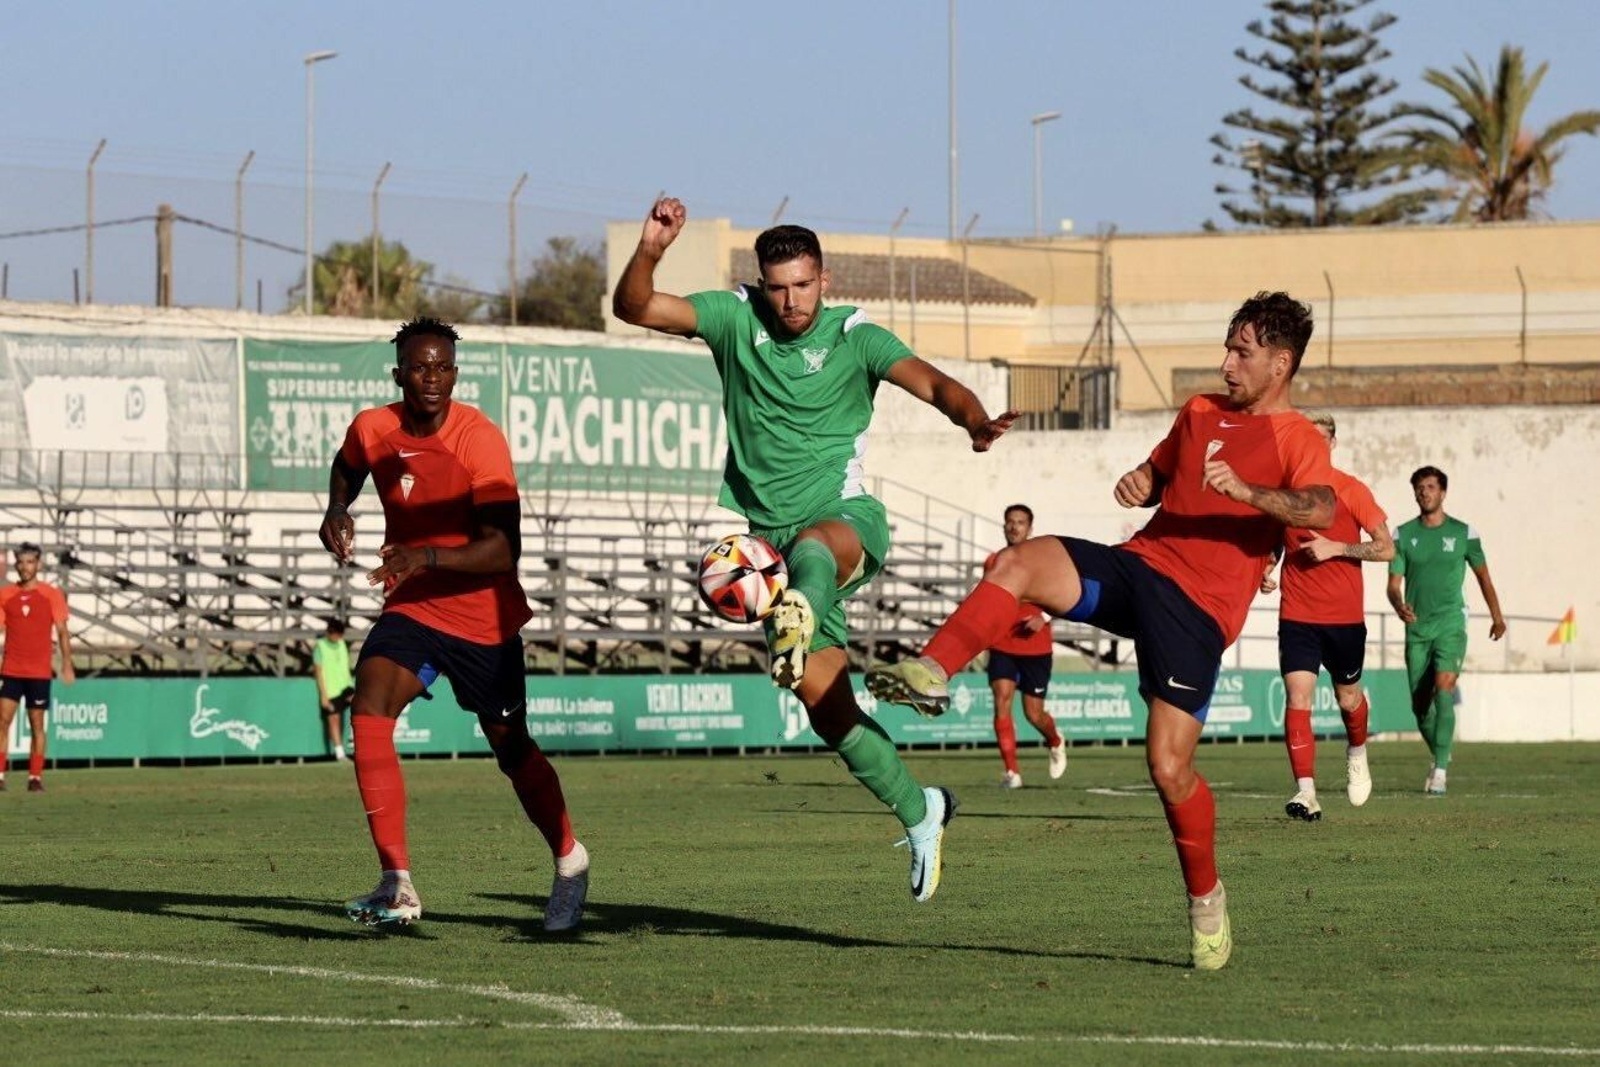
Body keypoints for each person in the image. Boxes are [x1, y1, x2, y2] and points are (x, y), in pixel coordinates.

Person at [868, 291, 1337, 970]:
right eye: (1228, 345)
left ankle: (1206, 898)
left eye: (1243, 350)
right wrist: (1141, 481)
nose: (1227, 361)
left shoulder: (1296, 438)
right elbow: (1162, 473)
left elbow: (1319, 506)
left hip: (1198, 611)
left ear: (1280, 363)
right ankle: (932, 668)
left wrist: (1252, 494)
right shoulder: (1201, 410)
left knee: (1168, 768)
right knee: (1021, 561)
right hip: (1140, 567)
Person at [613, 197, 1016, 903]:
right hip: (769, 549)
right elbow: (638, 308)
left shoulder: (856, 335)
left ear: (824, 279)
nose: (791, 300)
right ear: (761, 283)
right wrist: (650, 249)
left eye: (803, 285)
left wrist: (974, 419)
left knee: (812, 546)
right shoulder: (734, 317)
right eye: (779, 287)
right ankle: (921, 811)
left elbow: (934, 382)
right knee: (827, 708)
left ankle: (800, 603)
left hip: (843, 519)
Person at [319, 316, 588, 931]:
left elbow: (503, 550)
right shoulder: (373, 427)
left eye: (442, 367)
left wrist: (427, 556)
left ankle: (570, 859)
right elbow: (347, 464)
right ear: (399, 374)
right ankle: (397, 881)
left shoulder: (479, 440)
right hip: (413, 606)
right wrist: (337, 507)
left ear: (455, 374)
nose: (432, 377)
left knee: (511, 748)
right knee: (370, 704)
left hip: (483, 617)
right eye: (419, 367)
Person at [1259, 414, 1393, 821]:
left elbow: (1386, 548)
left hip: (1344, 617)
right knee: (1297, 696)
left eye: (1319, 440)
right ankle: (1306, 792)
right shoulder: (1285, 495)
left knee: (1347, 697)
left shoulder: (1351, 490)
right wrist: (1265, 569)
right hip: (1298, 614)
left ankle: (1357, 752)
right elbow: (1273, 544)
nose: (1312, 447)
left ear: (1332, 444)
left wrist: (1338, 549)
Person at [1386, 465, 1506, 796]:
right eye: (1419, 488)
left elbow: (1484, 577)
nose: (1425, 492)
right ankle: (1441, 751)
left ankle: (1440, 771)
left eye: (1430, 487)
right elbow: (1393, 585)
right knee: (1421, 707)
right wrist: (1398, 605)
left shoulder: (1464, 533)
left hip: (1451, 623)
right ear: (1415, 494)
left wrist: (1497, 616)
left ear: (1443, 492)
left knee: (1445, 686)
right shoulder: (1402, 534)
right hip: (1417, 629)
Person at [984, 504, 1066, 789]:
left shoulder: (1044, 562)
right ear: (1004, 526)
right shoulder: (993, 562)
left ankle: (1055, 740)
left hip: (1035, 648)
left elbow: (1065, 597)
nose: (1014, 527)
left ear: (1030, 528)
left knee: (1034, 714)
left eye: (1020, 522)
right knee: (1001, 702)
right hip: (1002, 645)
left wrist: (1043, 618)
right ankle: (1012, 772)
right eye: (1010, 521)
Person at [0, 543, 74, 793]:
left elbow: (63, 632)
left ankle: (35, 777)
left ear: (39, 564)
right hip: (11, 669)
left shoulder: (51, 595)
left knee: (37, 725)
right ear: (16, 565)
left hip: (39, 671)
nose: (25, 567)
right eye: (21, 562)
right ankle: (0, 775)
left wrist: (67, 664)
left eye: (30, 562)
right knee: (2, 721)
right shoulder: (6, 595)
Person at [312, 618, 355, 761]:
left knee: (361, 713)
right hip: (331, 690)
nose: (339, 638)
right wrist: (323, 695)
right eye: (337, 635)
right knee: (334, 720)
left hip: (346, 686)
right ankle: (340, 753)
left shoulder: (342, 643)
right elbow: (318, 672)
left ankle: (361, 747)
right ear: (330, 633)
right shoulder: (320, 646)